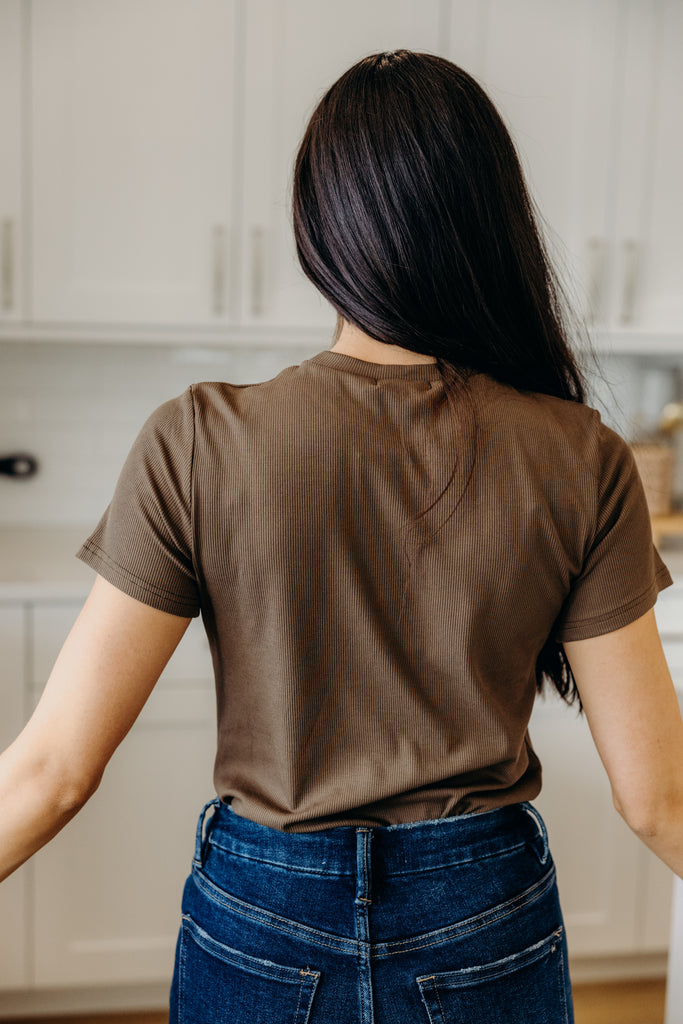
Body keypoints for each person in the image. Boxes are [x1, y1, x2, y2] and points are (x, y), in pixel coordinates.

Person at [1, 49, 681, 1023]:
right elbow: (659, 797)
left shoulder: (198, 440)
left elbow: (52, 770)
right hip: (480, 915)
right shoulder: (581, 455)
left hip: (261, 912)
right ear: (491, 220)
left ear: (315, 226)